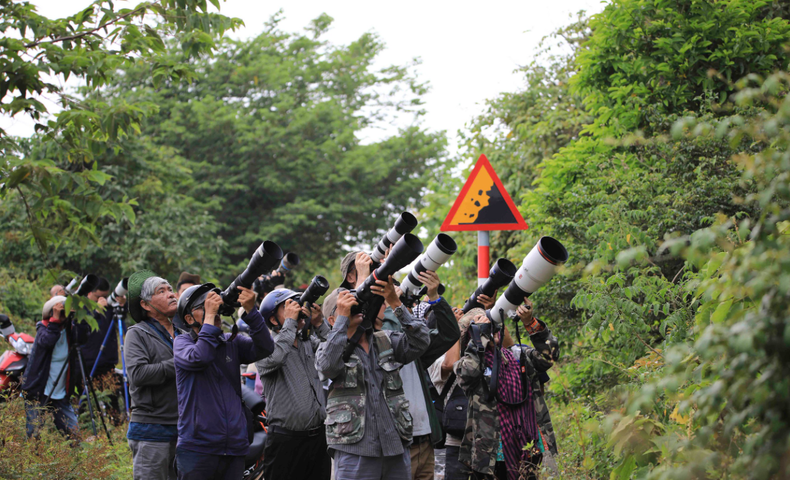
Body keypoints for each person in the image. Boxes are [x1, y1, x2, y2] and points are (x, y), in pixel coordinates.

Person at [315, 277, 431, 480]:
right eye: (348, 306)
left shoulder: (384, 340)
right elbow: (327, 367)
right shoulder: (327, 348)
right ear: (332, 319)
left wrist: (395, 303)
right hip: (355, 449)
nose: (356, 307)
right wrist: (342, 319)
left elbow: (421, 341)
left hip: (394, 444)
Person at [173, 283, 275, 480]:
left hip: (233, 447)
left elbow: (265, 348)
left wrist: (251, 311)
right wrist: (209, 318)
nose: (214, 309)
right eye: (205, 306)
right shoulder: (183, 343)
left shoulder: (231, 341)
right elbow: (200, 357)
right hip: (197, 449)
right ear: (188, 318)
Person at [454, 299, 560, 480]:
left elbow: (548, 357)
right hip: (492, 455)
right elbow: (468, 373)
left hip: (528, 446)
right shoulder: (468, 364)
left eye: (493, 327)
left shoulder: (517, 356)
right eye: (483, 327)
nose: (491, 330)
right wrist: (479, 339)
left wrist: (530, 322)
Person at [255, 288, 332, 480]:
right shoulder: (262, 346)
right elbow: (277, 357)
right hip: (285, 441)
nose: (296, 308)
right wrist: (290, 322)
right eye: (287, 306)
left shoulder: (307, 341)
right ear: (273, 320)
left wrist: (319, 323)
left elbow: (336, 352)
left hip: (318, 438)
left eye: (297, 303)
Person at [124, 271, 181, 480]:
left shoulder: (183, 334)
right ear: (146, 305)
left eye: (170, 289)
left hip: (183, 429)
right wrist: (182, 362)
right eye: (161, 291)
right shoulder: (137, 333)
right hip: (151, 430)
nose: (171, 294)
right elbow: (138, 374)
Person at [21, 296, 82, 438]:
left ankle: (79, 459)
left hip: (59, 393)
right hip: (38, 391)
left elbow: (83, 337)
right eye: (61, 312)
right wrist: (54, 320)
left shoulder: (69, 332)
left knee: (74, 435)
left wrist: (80, 316)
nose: (63, 316)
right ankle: (33, 459)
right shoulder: (43, 329)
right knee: (33, 434)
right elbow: (47, 341)